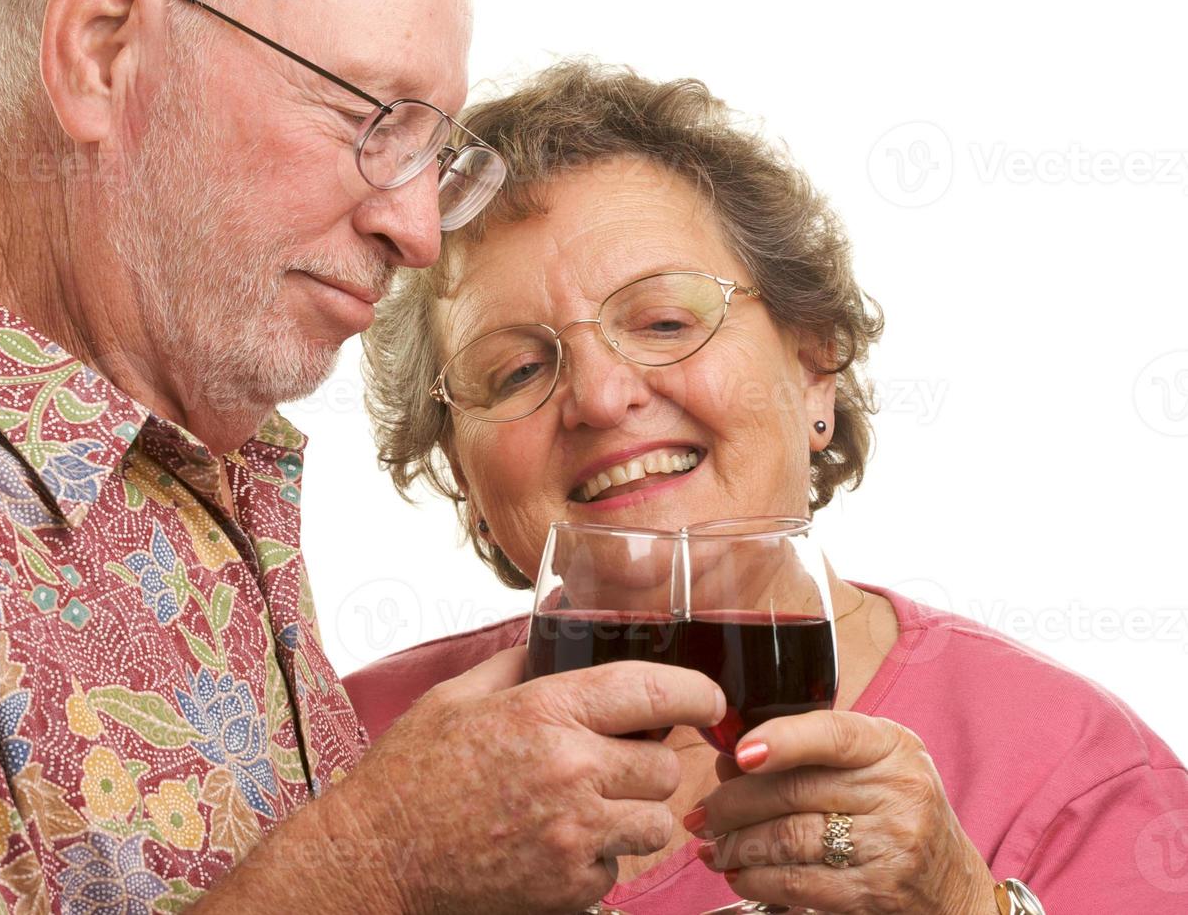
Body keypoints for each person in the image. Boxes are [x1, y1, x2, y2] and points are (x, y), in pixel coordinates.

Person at [0, 0, 731, 914]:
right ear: (102, 52)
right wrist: (382, 864)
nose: (417, 232)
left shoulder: (202, 470)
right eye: (368, 120)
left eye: (432, 153)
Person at [347, 60, 1188, 913]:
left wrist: (966, 905)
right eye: (517, 370)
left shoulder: (1072, 769)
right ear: (459, 466)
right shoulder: (340, 748)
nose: (601, 397)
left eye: (666, 321)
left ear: (814, 368)